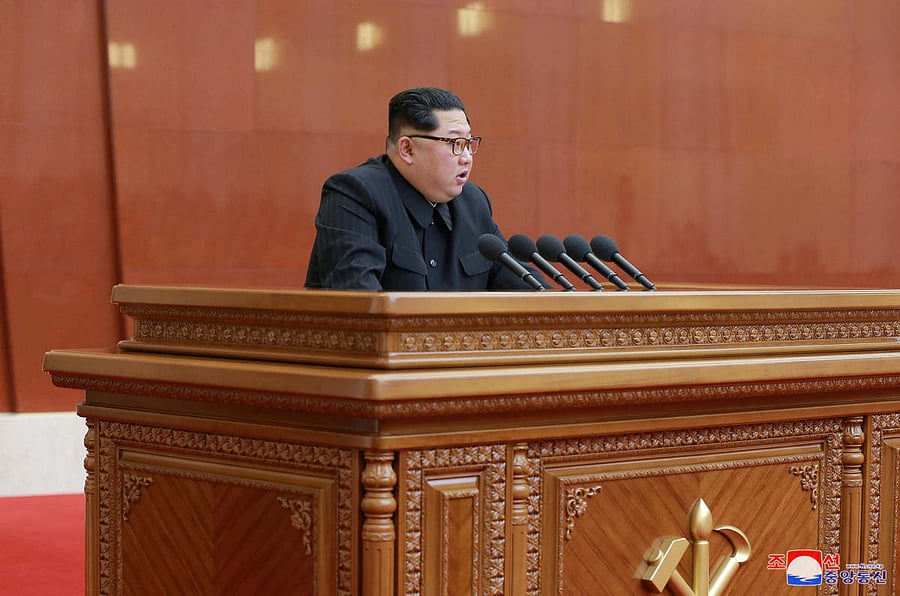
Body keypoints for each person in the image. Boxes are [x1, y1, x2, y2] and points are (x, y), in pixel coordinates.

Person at [305, 87, 545, 291]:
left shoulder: (474, 203)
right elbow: (359, 302)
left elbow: (527, 292)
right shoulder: (355, 195)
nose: (467, 158)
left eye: (469, 144)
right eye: (455, 144)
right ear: (407, 150)